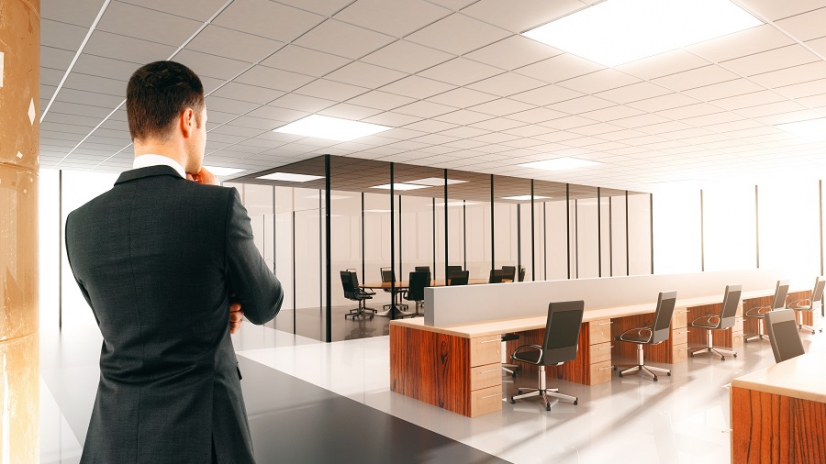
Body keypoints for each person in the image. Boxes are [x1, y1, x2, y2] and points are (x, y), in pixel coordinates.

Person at [65, 61, 283, 464]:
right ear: (188, 120)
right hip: (204, 436)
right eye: (204, 124)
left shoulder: (79, 225)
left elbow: (120, 321)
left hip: (112, 436)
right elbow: (266, 303)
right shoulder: (217, 207)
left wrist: (216, 301)